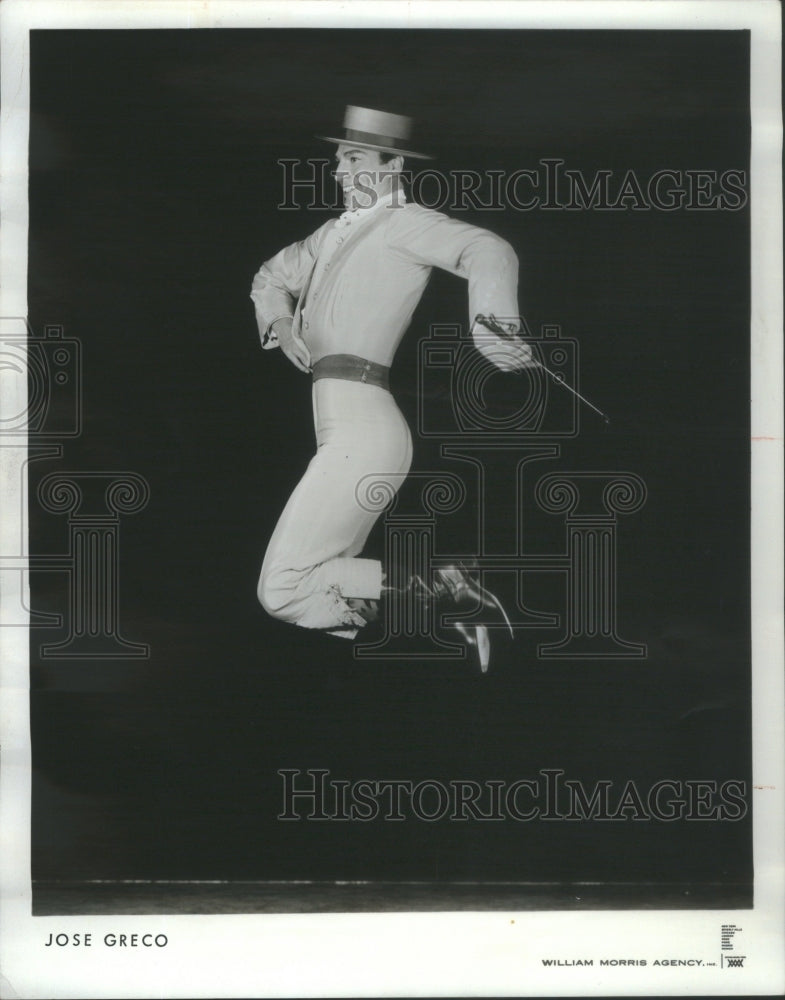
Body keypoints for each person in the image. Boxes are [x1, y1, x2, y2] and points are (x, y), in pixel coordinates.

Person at [250, 105, 534, 670]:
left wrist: (489, 326)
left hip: (366, 430)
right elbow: (269, 277)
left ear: (392, 164)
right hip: (343, 430)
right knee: (309, 586)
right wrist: (281, 325)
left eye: (353, 158)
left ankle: (451, 590)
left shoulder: (408, 223)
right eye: (337, 158)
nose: (337, 169)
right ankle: (449, 595)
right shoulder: (330, 234)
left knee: (282, 588)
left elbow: (490, 250)